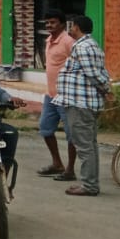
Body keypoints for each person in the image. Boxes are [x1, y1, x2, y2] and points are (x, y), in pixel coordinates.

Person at [55, 14, 112, 198]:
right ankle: (90, 182)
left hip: (80, 103)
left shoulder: (83, 47)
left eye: (71, 26)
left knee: (84, 145)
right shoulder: (90, 45)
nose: (70, 29)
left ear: (77, 27)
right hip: (85, 102)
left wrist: (106, 89)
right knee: (89, 144)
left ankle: (89, 185)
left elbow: (93, 73)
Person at [37, 12, 78, 180]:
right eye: (47, 23)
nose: (49, 25)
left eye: (53, 22)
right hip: (50, 95)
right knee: (45, 129)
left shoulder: (69, 42)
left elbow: (77, 65)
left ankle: (70, 169)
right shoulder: (48, 40)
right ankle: (57, 164)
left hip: (66, 96)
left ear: (62, 24)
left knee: (71, 134)